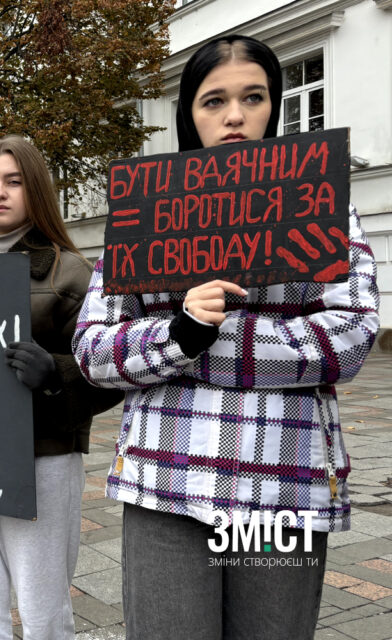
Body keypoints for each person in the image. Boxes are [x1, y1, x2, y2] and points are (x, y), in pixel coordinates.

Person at [72, 35, 380, 639]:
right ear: (190, 112)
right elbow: (92, 349)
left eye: (253, 97)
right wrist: (179, 334)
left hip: (283, 475)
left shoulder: (322, 204)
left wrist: (202, 342)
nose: (234, 115)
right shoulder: (147, 210)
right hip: (166, 479)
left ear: (275, 105)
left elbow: (352, 334)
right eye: (214, 101)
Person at [0, 136, 122, 640]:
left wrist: (57, 375)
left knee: (42, 606)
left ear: (36, 189)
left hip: (42, 456)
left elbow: (112, 375)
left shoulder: (73, 272)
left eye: (13, 182)